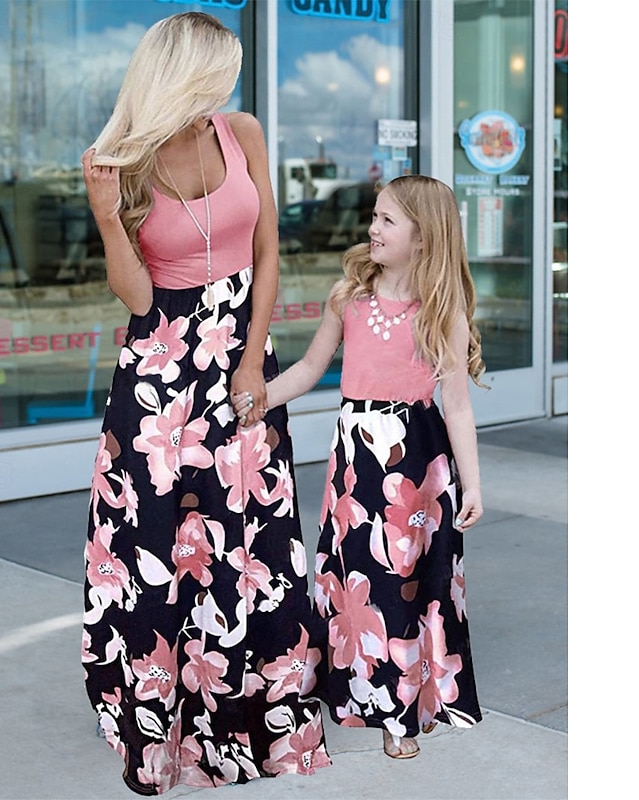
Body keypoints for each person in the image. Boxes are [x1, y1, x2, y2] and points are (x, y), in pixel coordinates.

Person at [79, 11, 331, 795]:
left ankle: (258, 714)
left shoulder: (240, 132)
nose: (227, 87)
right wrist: (105, 216)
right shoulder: (123, 159)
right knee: (161, 547)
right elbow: (137, 296)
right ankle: (164, 727)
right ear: (184, 75)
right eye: (217, 73)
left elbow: (268, 252)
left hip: (241, 357)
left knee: (254, 539)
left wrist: (253, 359)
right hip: (159, 376)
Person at [234, 174, 487, 760]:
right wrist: (259, 400)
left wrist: (472, 484)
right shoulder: (349, 296)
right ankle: (358, 691)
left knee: (408, 585)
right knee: (356, 583)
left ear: (424, 237)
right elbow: (309, 368)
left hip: (417, 469)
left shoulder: (440, 311)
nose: (372, 228)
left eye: (387, 220)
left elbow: (456, 404)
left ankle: (403, 712)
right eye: (374, 216)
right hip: (356, 465)